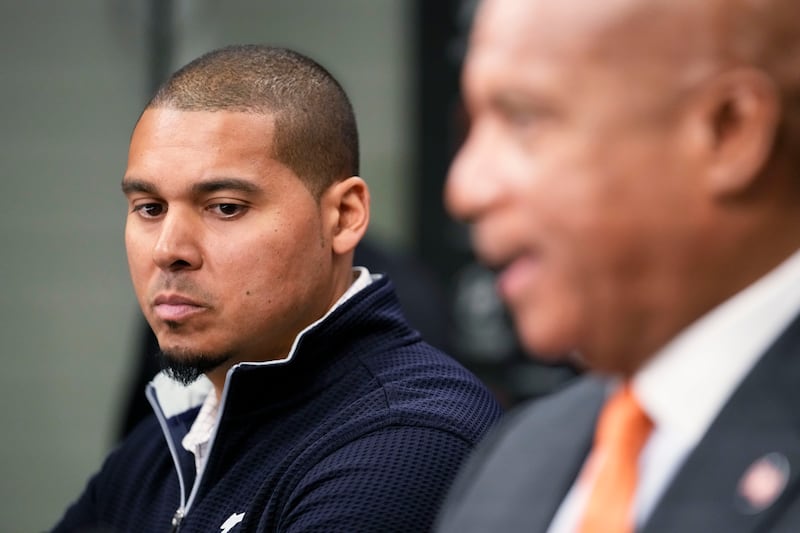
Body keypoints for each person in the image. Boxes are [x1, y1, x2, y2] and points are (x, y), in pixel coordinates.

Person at [53, 44, 502, 533]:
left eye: (225, 207)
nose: (168, 249)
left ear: (344, 216)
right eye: (149, 207)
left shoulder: (407, 438)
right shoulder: (163, 443)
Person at [435, 0, 800, 531]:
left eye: (523, 118)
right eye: (472, 125)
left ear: (730, 129)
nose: (465, 190)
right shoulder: (519, 457)